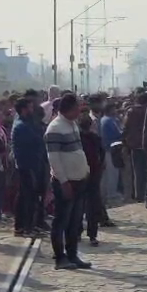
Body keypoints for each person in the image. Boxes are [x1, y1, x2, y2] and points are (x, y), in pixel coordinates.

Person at [46, 94, 92, 270]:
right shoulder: (55, 128)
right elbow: (54, 159)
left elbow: (78, 150)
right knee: (61, 220)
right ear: (68, 109)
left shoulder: (72, 125)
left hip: (80, 180)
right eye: (76, 108)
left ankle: (73, 254)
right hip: (65, 183)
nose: (79, 111)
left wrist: (85, 170)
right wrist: (64, 182)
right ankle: (60, 257)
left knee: (75, 221)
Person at [12, 97, 45, 237]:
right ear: (24, 109)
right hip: (26, 165)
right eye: (30, 107)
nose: (32, 110)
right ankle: (26, 228)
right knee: (28, 197)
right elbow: (37, 140)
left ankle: (26, 225)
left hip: (32, 164)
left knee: (27, 196)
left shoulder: (27, 123)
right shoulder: (21, 126)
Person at [78, 113, 104, 246]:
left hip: (79, 175)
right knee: (92, 206)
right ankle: (92, 235)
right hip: (93, 174)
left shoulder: (76, 139)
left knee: (78, 205)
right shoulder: (96, 138)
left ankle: (77, 232)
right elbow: (101, 156)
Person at [123, 92, 147, 202]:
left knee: (138, 171)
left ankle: (139, 195)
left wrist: (125, 142)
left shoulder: (131, 111)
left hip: (134, 145)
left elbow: (125, 127)